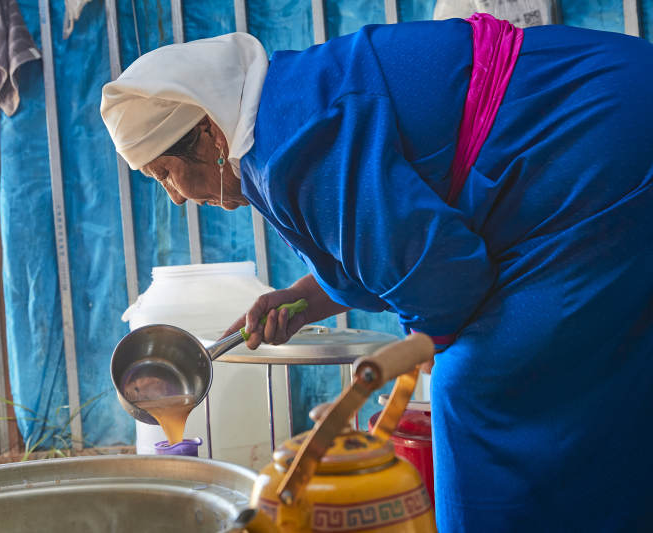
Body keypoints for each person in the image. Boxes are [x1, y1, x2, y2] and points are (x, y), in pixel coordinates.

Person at [100, 14, 653, 532]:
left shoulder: (290, 146)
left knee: (479, 385)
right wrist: (306, 297)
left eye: (167, 174)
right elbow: (385, 234)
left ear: (211, 138)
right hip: (600, 113)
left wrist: (420, 343)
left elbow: (444, 278)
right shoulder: (279, 108)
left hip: (598, 140)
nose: (174, 197)